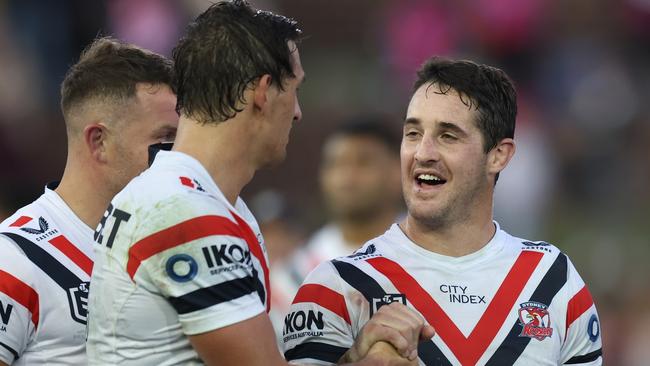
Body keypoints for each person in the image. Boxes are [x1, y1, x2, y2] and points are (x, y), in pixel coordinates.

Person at [86, 1, 433, 365]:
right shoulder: (188, 214)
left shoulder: (191, 199)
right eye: (294, 89)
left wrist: (352, 356)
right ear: (263, 92)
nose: (298, 112)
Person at [283, 57, 603, 365]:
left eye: (448, 136)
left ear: (498, 156)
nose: (423, 153)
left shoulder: (555, 282)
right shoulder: (338, 285)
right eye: (413, 133)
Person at [0, 37, 178, 366]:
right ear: (99, 142)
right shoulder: (15, 259)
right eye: (163, 138)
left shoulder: (172, 247)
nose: (176, 156)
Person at [271, 119, 403, 340]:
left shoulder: (433, 254)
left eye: (364, 162)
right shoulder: (295, 275)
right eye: (335, 164)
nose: (347, 177)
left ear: (397, 172)